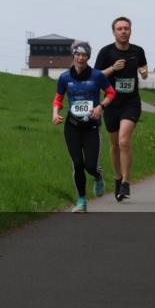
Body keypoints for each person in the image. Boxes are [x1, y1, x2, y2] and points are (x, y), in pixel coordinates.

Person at [52, 41, 116, 213]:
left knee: (90, 165)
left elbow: (111, 93)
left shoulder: (97, 76)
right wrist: (55, 113)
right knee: (77, 164)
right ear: (73, 55)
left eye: (84, 55)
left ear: (88, 56)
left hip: (91, 126)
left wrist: (100, 107)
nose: (81, 58)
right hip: (72, 126)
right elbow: (58, 98)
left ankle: (97, 175)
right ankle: (81, 201)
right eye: (78, 54)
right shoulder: (65, 77)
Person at [94, 16, 148, 202]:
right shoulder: (106, 52)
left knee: (124, 141)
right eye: (120, 29)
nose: (123, 31)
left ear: (131, 30)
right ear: (114, 32)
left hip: (131, 103)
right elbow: (96, 75)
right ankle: (118, 179)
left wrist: (144, 71)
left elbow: (143, 66)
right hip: (111, 103)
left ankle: (126, 182)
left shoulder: (138, 51)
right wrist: (112, 68)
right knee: (115, 144)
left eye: (126, 28)